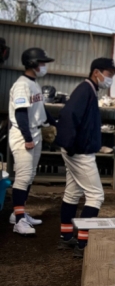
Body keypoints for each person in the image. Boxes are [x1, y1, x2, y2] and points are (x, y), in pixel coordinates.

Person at [56, 57, 115, 256]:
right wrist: (69, 144)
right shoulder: (85, 90)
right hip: (80, 153)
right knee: (96, 196)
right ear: (96, 72)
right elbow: (68, 115)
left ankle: (66, 236)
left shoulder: (89, 90)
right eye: (109, 74)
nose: (110, 79)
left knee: (72, 192)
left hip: (77, 150)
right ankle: (82, 243)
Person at [8, 47, 57, 235]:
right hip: (23, 134)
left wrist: (55, 123)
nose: (44, 66)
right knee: (23, 177)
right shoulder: (22, 85)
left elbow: (41, 110)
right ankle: (19, 222)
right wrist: (27, 138)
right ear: (32, 63)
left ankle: (18, 214)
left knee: (29, 175)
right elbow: (20, 113)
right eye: (42, 62)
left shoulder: (33, 83)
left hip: (34, 132)